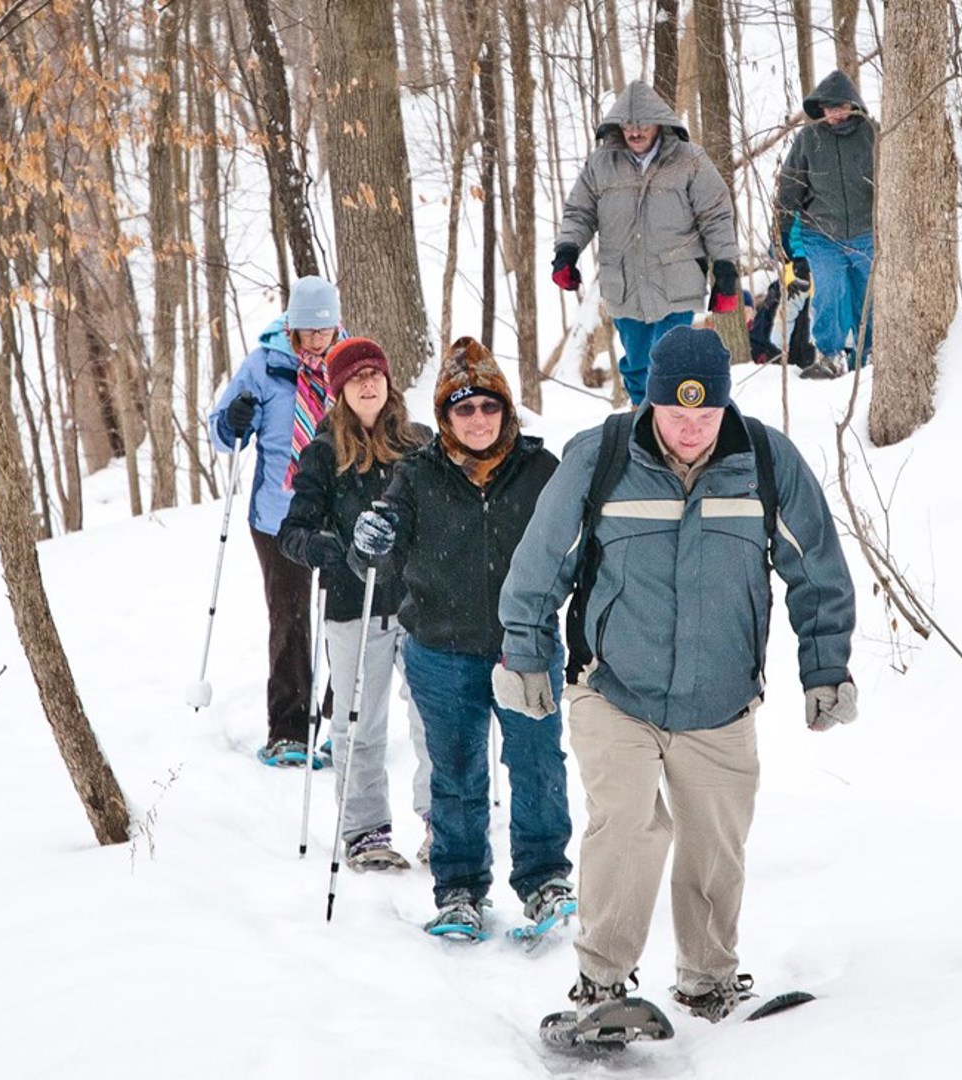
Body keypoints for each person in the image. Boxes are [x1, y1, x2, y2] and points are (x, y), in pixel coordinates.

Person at [496, 327, 858, 1036]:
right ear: (649, 402)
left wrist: (825, 666)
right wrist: (527, 653)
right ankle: (600, 984)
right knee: (628, 823)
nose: (691, 430)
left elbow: (816, 567)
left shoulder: (762, 459)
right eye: (676, 414)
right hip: (613, 688)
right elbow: (540, 564)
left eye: (705, 415)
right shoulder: (600, 457)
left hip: (721, 698)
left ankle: (707, 981)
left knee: (715, 842)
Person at [349, 337, 576, 937]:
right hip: (441, 650)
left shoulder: (540, 471)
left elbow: (575, 551)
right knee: (454, 773)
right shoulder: (416, 473)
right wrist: (366, 540)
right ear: (446, 415)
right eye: (463, 408)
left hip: (524, 647)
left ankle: (545, 879)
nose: (478, 420)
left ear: (506, 409)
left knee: (536, 766)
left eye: (489, 407)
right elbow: (376, 552)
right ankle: (459, 889)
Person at [275, 338, 433, 869]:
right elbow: (291, 531)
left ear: (388, 384)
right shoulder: (322, 453)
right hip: (353, 604)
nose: (368, 383)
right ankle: (365, 829)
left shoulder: (417, 445)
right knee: (359, 722)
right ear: (340, 389)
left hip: (417, 602)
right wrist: (324, 547)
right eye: (356, 377)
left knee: (434, 718)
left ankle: (444, 823)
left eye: (376, 374)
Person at [208, 275, 342, 768]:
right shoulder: (264, 365)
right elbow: (222, 436)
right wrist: (234, 419)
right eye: (308, 332)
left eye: (325, 331)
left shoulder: (349, 364)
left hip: (337, 514)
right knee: (289, 618)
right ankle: (288, 729)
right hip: (277, 515)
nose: (317, 341)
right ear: (291, 326)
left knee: (343, 621)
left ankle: (339, 724)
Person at [552, 81, 741, 408]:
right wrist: (567, 252)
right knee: (636, 361)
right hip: (624, 284)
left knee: (668, 358)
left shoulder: (690, 161)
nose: (635, 131)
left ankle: (670, 416)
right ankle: (641, 415)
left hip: (676, 281)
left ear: (660, 123)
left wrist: (725, 270)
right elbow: (579, 211)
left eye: (642, 124)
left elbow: (716, 215)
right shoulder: (601, 164)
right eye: (628, 125)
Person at [774, 70, 877, 381]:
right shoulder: (808, 139)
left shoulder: (873, 134)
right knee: (829, 294)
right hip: (821, 234)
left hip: (866, 231)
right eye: (828, 107)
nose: (834, 113)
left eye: (840, 106)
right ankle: (829, 355)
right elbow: (790, 188)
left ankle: (870, 354)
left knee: (868, 297)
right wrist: (785, 236)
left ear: (852, 104)